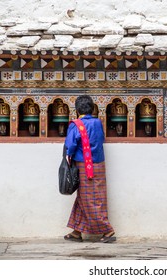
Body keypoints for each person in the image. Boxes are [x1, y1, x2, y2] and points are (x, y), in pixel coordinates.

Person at [64, 95, 116, 243]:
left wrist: (68, 157)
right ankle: (76, 231)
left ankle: (108, 230)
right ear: (92, 109)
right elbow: (101, 139)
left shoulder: (76, 124)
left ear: (77, 109)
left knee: (90, 199)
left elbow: (71, 144)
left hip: (84, 166)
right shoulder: (98, 122)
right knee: (86, 197)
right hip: (98, 164)